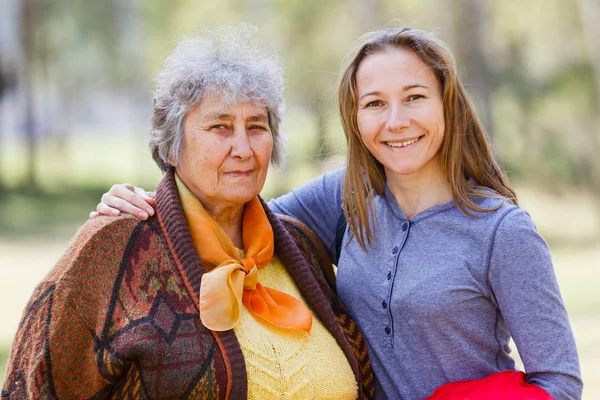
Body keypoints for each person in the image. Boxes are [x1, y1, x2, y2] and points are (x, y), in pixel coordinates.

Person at [91, 27, 582, 399]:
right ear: (356, 117)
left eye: (414, 98)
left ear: (447, 105)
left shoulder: (501, 230)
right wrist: (142, 205)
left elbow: (559, 383)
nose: (396, 121)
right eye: (375, 103)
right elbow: (231, 218)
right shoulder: (347, 196)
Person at [1, 24, 374, 400]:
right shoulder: (115, 245)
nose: (243, 148)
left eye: (256, 126)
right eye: (220, 127)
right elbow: (31, 388)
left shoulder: (301, 245)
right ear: (172, 147)